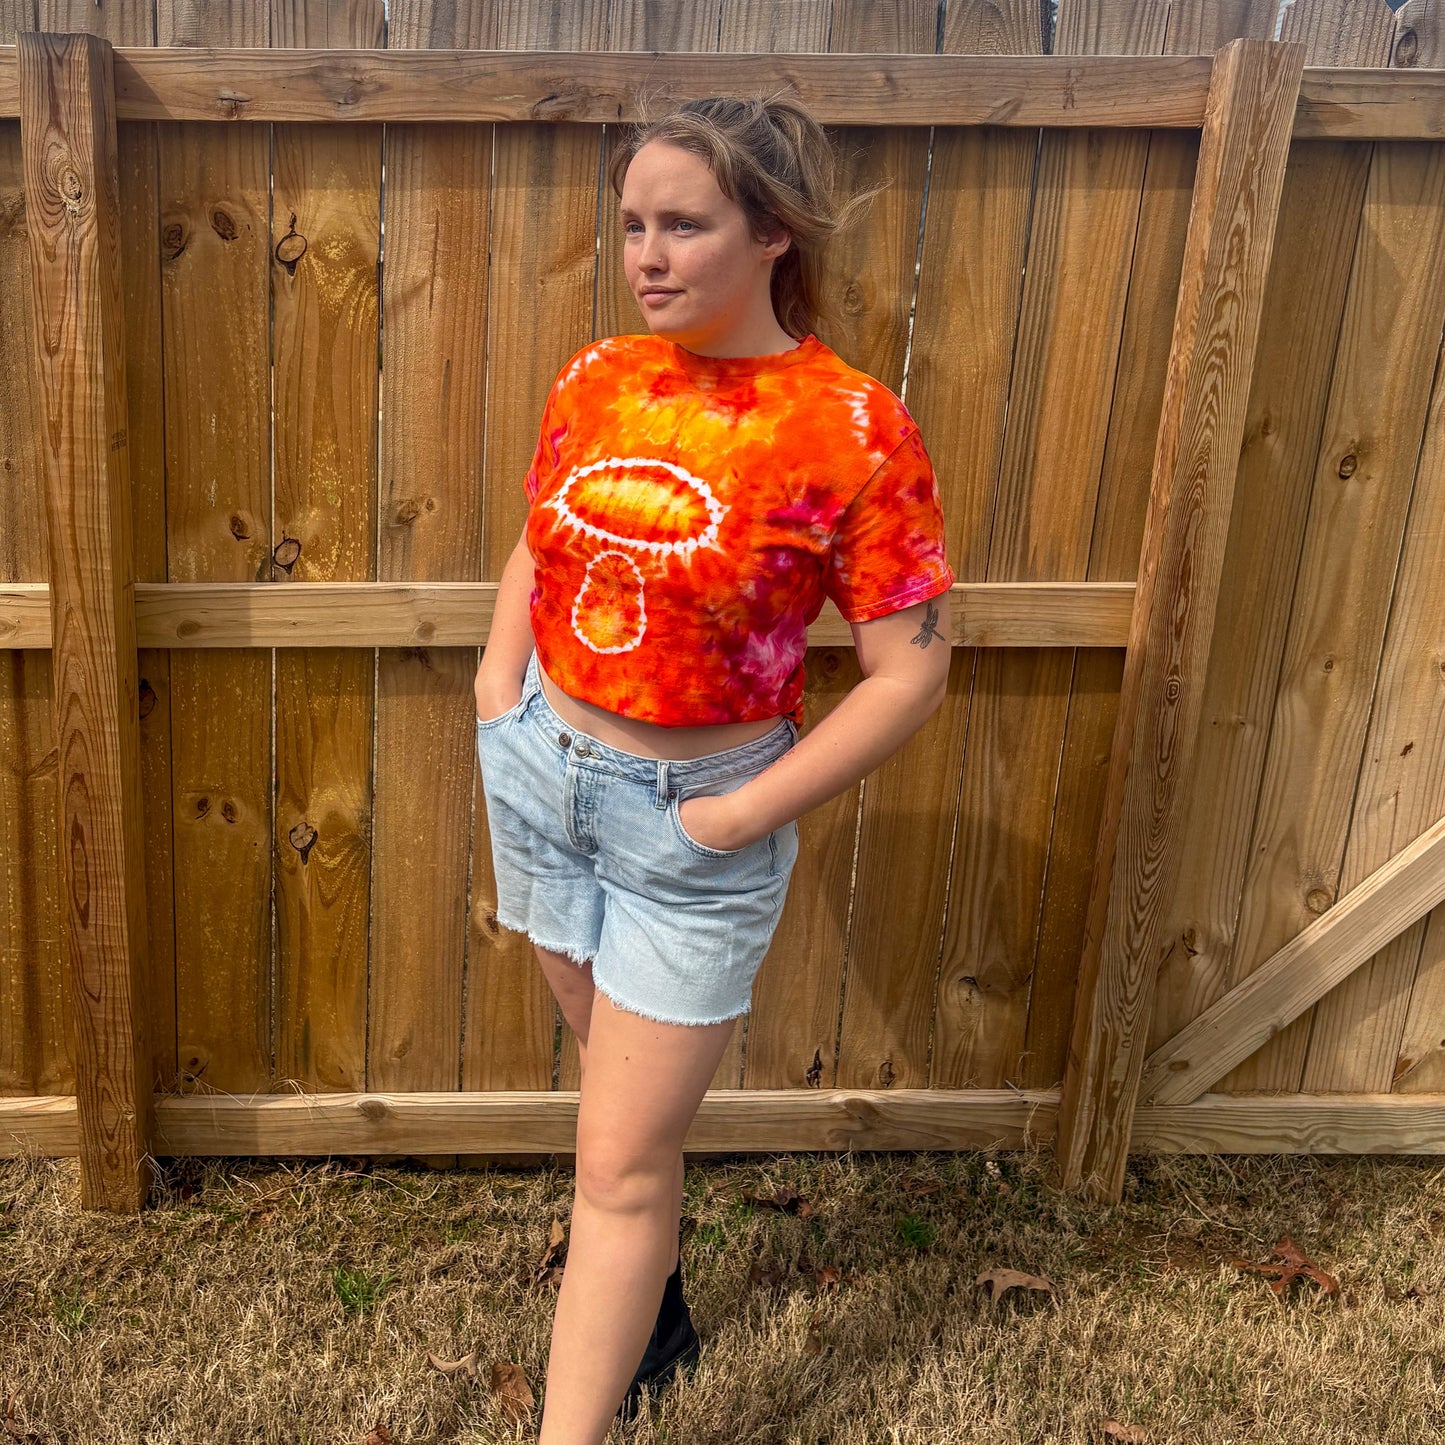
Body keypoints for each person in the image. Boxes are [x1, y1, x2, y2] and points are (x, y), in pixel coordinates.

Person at [471, 94, 955, 1442]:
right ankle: (658, 1304)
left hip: (699, 827)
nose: (648, 253)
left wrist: (739, 810)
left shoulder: (852, 427)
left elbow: (909, 668)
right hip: (546, 779)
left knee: (618, 1160)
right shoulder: (597, 377)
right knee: (618, 1115)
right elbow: (540, 535)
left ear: (772, 235)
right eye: (633, 223)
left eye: (684, 223)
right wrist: (495, 686)